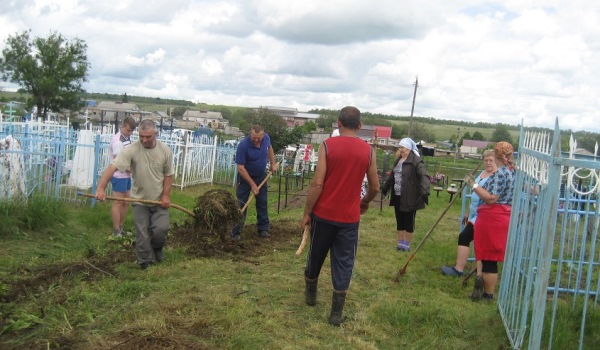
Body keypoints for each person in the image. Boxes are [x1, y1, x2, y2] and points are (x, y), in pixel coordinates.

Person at [301, 106, 379, 326]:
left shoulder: (327, 145)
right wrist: (364, 203)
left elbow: (317, 183)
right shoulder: (369, 151)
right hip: (349, 219)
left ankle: (311, 296)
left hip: (323, 215)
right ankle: (336, 313)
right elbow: (374, 186)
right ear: (360, 126)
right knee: (344, 262)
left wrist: (307, 212)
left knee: (315, 254)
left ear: (338, 123)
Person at [95, 119, 175, 269]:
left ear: (156, 134)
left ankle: (157, 248)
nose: (144, 140)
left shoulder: (165, 151)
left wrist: (166, 195)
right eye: (141, 136)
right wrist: (100, 188)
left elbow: (168, 175)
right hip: (139, 200)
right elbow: (112, 167)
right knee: (142, 233)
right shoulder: (132, 149)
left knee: (161, 229)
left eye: (148, 137)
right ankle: (145, 261)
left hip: (158, 200)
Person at [466, 141, 515, 301]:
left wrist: (473, 185)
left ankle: (488, 295)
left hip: (494, 216)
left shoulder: (501, 173)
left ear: (497, 154)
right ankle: (487, 293)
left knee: (490, 258)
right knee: (488, 257)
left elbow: (491, 198)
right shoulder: (509, 171)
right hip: (497, 216)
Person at [441, 150, 498, 277]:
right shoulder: (483, 173)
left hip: (484, 214)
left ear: (496, 161)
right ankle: (479, 273)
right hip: (474, 213)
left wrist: (473, 183)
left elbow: (487, 195)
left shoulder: (495, 177)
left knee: (465, 237)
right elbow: (475, 195)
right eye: (486, 160)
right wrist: (468, 212)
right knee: (474, 241)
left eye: (491, 160)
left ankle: (459, 269)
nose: (488, 163)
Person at [381, 138, 430, 251]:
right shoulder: (398, 160)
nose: (400, 150)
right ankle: (400, 244)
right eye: (400, 147)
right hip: (398, 196)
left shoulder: (416, 161)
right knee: (400, 220)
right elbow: (392, 176)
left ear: (408, 148)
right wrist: (385, 188)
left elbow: (424, 176)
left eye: (402, 147)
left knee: (408, 221)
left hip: (410, 197)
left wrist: (424, 191)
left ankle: (406, 245)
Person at [230, 125, 278, 240]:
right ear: (250, 134)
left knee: (262, 202)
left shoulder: (266, 138)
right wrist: (252, 184)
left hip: (261, 176)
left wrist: (272, 163)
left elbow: (270, 149)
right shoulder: (243, 145)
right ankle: (236, 231)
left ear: (263, 135)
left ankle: (263, 229)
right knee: (241, 203)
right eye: (254, 138)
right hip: (245, 178)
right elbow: (240, 168)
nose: (256, 140)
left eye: (259, 138)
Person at [108, 116, 137, 238]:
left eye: (131, 131)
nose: (130, 133)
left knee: (126, 202)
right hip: (118, 175)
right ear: (123, 126)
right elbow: (118, 162)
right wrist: (132, 170)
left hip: (126, 175)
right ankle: (116, 231)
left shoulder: (126, 138)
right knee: (118, 203)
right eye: (128, 130)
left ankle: (121, 227)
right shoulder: (118, 141)